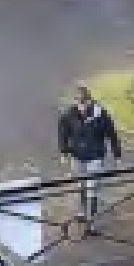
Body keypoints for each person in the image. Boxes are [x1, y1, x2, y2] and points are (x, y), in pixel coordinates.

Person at [57, 85, 122, 225]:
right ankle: (83, 211)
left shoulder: (100, 113)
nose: (82, 106)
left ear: (89, 100)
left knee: (92, 187)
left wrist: (117, 155)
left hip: (95, 156)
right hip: (77, 156)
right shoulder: (69, 114)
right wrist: (63, 152)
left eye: (84, 102)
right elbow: (63, 133)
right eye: (79, 103)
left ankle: (91, 222)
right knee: (82, 184)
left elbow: (112, 133)